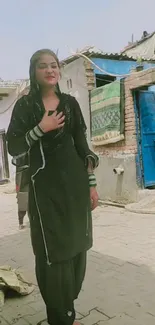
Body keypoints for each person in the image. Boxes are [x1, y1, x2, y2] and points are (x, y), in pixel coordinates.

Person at [6, 49, 99, 325]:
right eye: (43, 66)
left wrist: (91, 185)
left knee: (77, 248)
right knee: (52, 253)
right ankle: (60, 318)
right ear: (34, 72)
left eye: (54, 65)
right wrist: (40, 128)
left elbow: (83, 148)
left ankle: (66, 311)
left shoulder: (70, 104)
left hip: (75, 188)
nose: (50, 70)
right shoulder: (26, 106)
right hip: (44, 191)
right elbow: (14, 146)